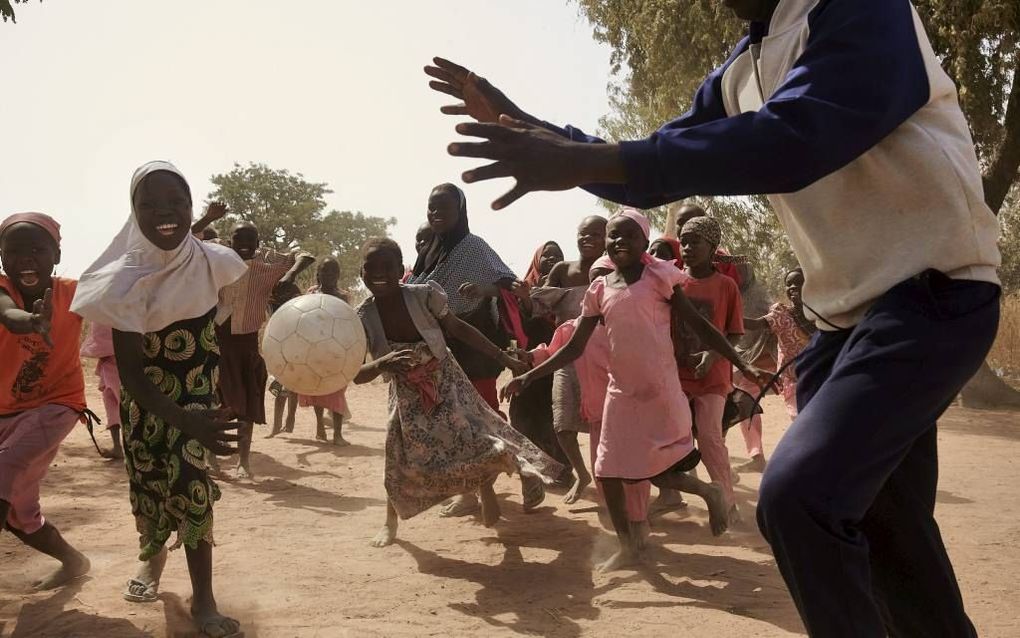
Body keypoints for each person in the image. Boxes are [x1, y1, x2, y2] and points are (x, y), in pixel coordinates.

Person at [429, 0, 1001, 629]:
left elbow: (795, 138)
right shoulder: (738, 72)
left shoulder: (861, 10)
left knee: (798, 499)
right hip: (847, 323)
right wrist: (533, 130)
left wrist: (582, 162)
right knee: (890, 530)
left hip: (934, 296)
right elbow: (654, 163)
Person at [502, 211, 765, 571]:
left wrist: (739, 360)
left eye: (629, 235)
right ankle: (631, 545)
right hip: (620, 393)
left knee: (649, 467)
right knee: (607, 471)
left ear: (644, 242)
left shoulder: (660, 278)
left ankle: (709, 493)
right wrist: (529, 376)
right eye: (614, 236)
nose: (619, 241)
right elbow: (574, 345)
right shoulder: (599, 289)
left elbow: (700, 326)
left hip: (658, 390)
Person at [71, 161, 248, 638]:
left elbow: (218, 328)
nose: (164, 213)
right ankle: (151, 561)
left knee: (192, 490)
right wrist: (183, 420)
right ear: (133, 211)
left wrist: (209, 403)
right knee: (151, 492)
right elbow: (131, 374)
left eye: (176, 202)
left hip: (198, 406)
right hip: (148, 405)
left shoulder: (215, 261)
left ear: (192, 207)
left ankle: (204, 600)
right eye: (148, 204)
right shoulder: (126, 281)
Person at [354, 238, 562, 548]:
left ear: (401, 270)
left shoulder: (424, 296)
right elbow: (356, 375)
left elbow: (460, 330)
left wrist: (502, 357)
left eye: (387, 267)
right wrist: (383, 362)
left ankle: (499, 479)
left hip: (446, 382)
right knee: (396, 456)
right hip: (406, 394)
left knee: (475, 437)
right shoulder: (363, 317)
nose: (379, 273)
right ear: (362, 272)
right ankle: (390, 522)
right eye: (372, 268)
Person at [513, 254, 653, 545]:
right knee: (603, 471)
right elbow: (551, 351)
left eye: (606, 280)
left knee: (634, 472)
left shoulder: (633, 322)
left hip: (629, 411)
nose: (599, 289)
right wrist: (529, 360)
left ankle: (638, 527)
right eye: (593, 283)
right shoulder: (572, 328)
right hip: (598, 414)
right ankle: (625, 536)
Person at [406, 183, 521, 517]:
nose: (436, 214)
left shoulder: (474, 246)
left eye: (444, 208)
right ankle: (470, 492)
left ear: (461, 211)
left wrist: (484, 289)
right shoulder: (427, 251)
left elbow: (508, 283)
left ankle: (501, 481)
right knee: (448, 422)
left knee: (478, 419)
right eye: (431, 208)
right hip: (437, 348)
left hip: (473, 347)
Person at [0, 212, 92, 591]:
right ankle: (74, 562)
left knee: (2, 471)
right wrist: (29, 321)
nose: (26, 258)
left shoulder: (75, 293)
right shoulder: (1, 289)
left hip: (58, 404)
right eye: (15, 250)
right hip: (7, 411)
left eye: (37, 249)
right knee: (19, 515)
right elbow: (8, 313)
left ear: (56, 254)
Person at [210, 210, 314, 479]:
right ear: (229, 240)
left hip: (246, 343)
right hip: (216, 341)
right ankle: (211, 457)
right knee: (214, 401)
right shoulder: (218, 254)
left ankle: (243, 460)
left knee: (245, 404)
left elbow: (305, 255)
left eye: (250, 238)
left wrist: (289, 275)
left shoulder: (268, 259)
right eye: (238, 237)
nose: (244, 243)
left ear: (258, 242)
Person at [530, 215, 607, 504]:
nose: (587, 239)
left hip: (601, 359)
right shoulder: (563, 269)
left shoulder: (612, 271)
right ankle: (582, 474)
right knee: (562, 425)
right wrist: (528, 296)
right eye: (582, 234)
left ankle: (605, 493)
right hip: (565, 355)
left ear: (607, 238)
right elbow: (540, 304)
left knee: (602, 429)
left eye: (595, 234)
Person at [676, 216, 744, 521]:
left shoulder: (726, 286)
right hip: (675, 376)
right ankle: (674, 496)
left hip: (713, 378)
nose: (687, 247)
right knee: (675, 439)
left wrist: (711, 357)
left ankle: (727, 503)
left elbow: (734, 333)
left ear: (712, 247)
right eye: (684, 241)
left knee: (710, 438)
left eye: (695, 242)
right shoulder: (672, 282)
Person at [507, 240, 570, 507]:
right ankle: (531, 474)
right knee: (521, 417)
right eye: (546, 256)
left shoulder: (566, 291)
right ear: (536, 260)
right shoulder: (523, 288)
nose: (551, 260)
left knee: (552, 420)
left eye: (557, 256)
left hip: (555, 362)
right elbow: (512, 324)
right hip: (526, 363)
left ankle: (563, 472)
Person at [297, 257, 354, 446]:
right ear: (318, 273)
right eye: (325, 271)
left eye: (332, 272)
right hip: (315, 350)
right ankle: (320, 426)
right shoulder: (311, 294)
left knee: (336, 391)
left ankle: (338, 433)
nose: (328, 275)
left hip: (337, 351)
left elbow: (348, 323)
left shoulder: (343, 297)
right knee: (318, 390)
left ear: (338, 275)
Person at [80, 322, 124, 459]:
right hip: (110, 363)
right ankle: (117, 446)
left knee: (120, 407)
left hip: (119, 362)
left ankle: (121, 445)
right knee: (112, 405)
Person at [266, 280, 301, 439]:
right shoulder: (272, 291)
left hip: (295, 343)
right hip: (278, 344)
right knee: (280, 388)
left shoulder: (294, 291)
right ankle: (277, 425)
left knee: (292, 387)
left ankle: (289, 419)